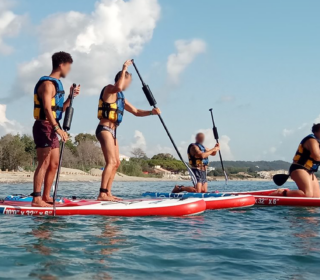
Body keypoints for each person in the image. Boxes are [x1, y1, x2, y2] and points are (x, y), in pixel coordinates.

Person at [96, 60, 160, 201]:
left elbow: (136, 111)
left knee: (117, 163)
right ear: (122, 78)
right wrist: (124, 68)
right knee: (111, 162)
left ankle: (108, 193)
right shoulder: (109, 89)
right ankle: (102, 194)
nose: (128, 85)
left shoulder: (120, 97)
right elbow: (118, 86)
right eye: (128, 81)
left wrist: (151, 112)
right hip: (104, 129)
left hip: (113, 132)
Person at [32, 51, 81, 207]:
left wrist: (70, 97)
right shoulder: (47, 84)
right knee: (44, 163)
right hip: (44, 126)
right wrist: (57, 129)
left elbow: (60, 109)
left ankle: (46, 196)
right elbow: (47, 109)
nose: (69, 70)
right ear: (62, 65)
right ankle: (36, 199)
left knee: (53, 164)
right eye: (68, 67)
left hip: (53, 127)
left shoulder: (57, 85)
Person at [271, 124, 320, 198]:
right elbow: (316, 156)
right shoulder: (312, 140)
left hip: (309, 171)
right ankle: (281, 193)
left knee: (316, 197)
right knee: (307, 194)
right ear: (317, 131)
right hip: (299, 168)